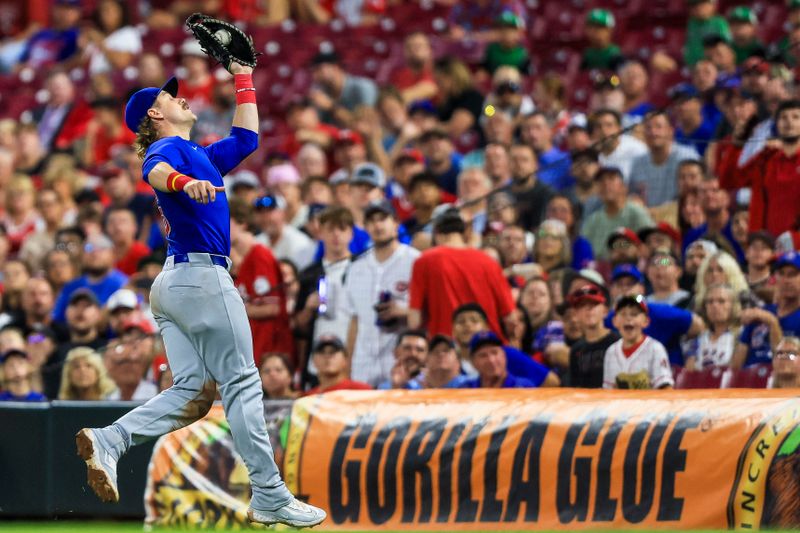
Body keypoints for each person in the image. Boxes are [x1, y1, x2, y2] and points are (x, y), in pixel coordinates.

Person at [76, 63, 326, 527]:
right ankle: (269, 493)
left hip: (173, 284)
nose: (182, 97)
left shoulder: (197, 152)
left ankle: (112, 438)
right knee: (242, 383)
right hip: (202, 278)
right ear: (155, 112)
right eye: (171, 96)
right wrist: (181, 182)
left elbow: (247, 141)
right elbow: (154, 168)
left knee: (193, 391)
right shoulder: (170, 148)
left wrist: (243, 77)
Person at [408, 209, 518, 339]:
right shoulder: (489, 261)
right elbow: (511, 318)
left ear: (436, 233)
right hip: (486, 347)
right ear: (464, 233)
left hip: (446, 348)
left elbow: (414, 321)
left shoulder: (424, 261)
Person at [344, 201, 419, 387]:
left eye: (383, 219)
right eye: (371, 221)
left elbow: (431, 309)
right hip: (363, 362)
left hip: (401, 362)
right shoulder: (356, 267)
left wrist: (402, 311)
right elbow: (354, 321)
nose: (378, 225)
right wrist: (347, 365)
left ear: (396, 223)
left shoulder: (415, 261)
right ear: (366, 226)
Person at [719, 100, 800, 236]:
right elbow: (728, 181)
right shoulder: (766, 159)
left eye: (796, 117)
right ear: (776, 125)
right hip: (766, 247)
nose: (789, 122)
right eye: (783, 117)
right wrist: (737, 145)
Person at [230, 199, 294, 367]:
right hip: (255, 347)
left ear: (242, 223)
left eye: (225, 222)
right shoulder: (244, 262)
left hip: (271, 350)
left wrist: (232, 308)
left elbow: (272, 307)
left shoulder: (259, 255)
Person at [609, 264, 706, 367]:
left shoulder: (659, 311)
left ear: (642, 289)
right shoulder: (608, 319)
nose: (625, 289)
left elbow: (699, 325)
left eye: (630, 284)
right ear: (612, 290)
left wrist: (686, 349)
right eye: (619, 284)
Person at [450, 302, 560, 387]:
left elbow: (552, 381)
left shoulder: (507, 354)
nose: (468, 325)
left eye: (474, 320)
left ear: (486, 327)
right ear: (453, 330)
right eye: (461, 322)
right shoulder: (447, 361)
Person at [732, 252, 800, 369]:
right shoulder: (761, 312)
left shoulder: (763, 315)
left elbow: (791, 360)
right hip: (749, 381)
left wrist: (772, 323)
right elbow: (735, 366)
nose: (786, 280)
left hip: (783, 383)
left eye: (792, 274)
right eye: (781, 274)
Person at [580, 166, 654, 260]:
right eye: (601, 181)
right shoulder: (592, 221)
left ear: (624, 187)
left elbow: (651, 245)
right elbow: (582, 252)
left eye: (611, 179)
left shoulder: (636, 212)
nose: (606, 184)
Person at [52, 233, 129, 323]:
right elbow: (57, 320)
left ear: (113, 253)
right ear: (82, 254)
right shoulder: (71, 287)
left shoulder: (124, 285)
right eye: (89, 248)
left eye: (102, 247)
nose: (95, 253)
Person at [629, 112, 700, 208]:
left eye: (658, 127)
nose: (653, 132)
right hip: (648, 219)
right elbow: (632, 195)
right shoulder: (637, 163)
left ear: (670, 131)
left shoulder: (687, 157)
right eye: (648, 128)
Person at [604, 295, 674, 389]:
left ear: (646, 321)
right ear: (614, 321)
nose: (628, 318)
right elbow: (607, 392)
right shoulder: (611, 351)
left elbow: (666, 389)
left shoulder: (655, 349)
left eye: (634, 314)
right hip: (619, 403)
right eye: (623, 314)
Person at [309, 50, 378, 128]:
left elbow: (366, 126)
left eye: (319, 69)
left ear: (335, 67)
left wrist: (331, 107)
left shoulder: (363, 87)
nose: (315, 76)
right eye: (313, 72)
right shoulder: (323, 94)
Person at [568, 284, 619, 388]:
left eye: (594, 304)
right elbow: (575, 388)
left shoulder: (618, 342)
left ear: (605, 311)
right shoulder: (576, 350)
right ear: (576, 314)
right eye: (582, 305)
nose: (588, 309)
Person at [684, 284, 740, 370]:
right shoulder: (696, 340)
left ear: (733, 306)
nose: (715, 306)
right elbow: (689, 372)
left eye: (721, 301)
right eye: (710, 302)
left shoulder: (740, 337)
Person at [459, 331, 540, 388]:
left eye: (495, 353)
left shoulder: (524, 388)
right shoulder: (466, 390)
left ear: (504, 355)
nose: (491, 360)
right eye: (483, 355)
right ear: (473, 362)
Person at [520, 112, 572, 191]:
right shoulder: (516, 162)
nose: (532, 134)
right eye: (527, 129)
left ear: (550, 131)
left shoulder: (566, 161)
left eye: (538, 128)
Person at [509, 143, 555, 232]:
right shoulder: (503, 194)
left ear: (535, 165)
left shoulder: (547, 194)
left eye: (524, 160)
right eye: (514, 160)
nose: (519, 165)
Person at [303, 336, 371, 395]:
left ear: (345, 359)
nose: (327, 356)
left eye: (333, 352)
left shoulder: (362, 391)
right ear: (313, 361)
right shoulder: (308, 398)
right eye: (322, 352)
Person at [105, 207, 151, 276]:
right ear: (106, 228)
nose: (117, 227)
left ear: (135, 227)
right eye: (112, 222)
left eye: (123, 222)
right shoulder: (103, 255)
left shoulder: (142, 253)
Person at [684, 0, 731, 66]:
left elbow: (725, 46)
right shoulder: (692, 23)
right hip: (694, 65)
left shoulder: (719, 22)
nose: (698, 8)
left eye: (702, 4)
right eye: (694, 5)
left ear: (712, 5)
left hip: (713, 65)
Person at [745, 231, 776, 305]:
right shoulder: (737, 281)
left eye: (764, 247)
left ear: (773, 255)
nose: (759, 251)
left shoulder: (777, 284)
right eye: (754, 247)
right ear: (747, 253)